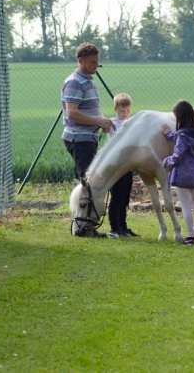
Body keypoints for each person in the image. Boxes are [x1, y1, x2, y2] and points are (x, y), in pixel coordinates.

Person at [61, 42, 113, 238]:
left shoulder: (88, 80)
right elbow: (72, 113)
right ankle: (83, 228)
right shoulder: (75, 82)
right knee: (86, 186)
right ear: (80, 61)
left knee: (87, 183)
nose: (95, 66)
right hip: (79, 139)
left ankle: (84, 226)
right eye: (92, 62)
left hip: (86, 138)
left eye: (98, 62)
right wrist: (98, 121)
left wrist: (102, 121)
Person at [161, 100, 194, 246]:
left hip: (182, 175)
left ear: (181, 116)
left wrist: (166, 161)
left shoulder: (182, 134)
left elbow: (177, 155)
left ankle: (191, 236)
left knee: (185, 205)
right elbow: (184, 141)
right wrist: (170, 135)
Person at [107, 93, 140, 238]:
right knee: (117, 196)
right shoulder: (112, 124)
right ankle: (114, 228)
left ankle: (123, 226)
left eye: (127, 111)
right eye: (121, 111)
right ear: (115, 109)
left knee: (125, 197)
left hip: (128, 165)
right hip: (116, 166)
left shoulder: (132, 123)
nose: (124, 114)